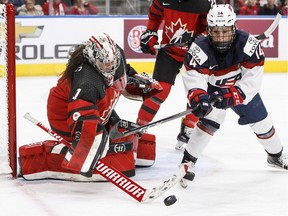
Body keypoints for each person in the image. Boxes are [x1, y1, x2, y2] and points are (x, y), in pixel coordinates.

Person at [178, 4, 288, 187]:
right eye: (217, 32)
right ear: (208, 30)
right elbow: (194, 79)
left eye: (226, 31)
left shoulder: (248, 44)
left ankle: (276, 156)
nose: (221, 37)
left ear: (234, 28)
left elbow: (252, 81)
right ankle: (188, 161)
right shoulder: (199, 49)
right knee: (211, 119)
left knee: (262, 122)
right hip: (211, 90)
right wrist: (199, 98)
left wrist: (233, 94)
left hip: (240, 89)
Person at [46, 32, 162, 177]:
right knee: (98, 139)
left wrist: (141, 84)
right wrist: (88, 148)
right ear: (93, 61)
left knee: (134, 136)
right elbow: (81, 115)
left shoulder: (116, 55)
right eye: (104, 65)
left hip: (96, 108)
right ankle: (86, 152)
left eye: (112, 64)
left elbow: (123, 74)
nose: (110, 69)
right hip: (64, 118)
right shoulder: (87, 80)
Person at [137, 0, 212, 150]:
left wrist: (202, 38)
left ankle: (188, 128)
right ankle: (139, 128)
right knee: (159, 91)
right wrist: (150, 34)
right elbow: (154, 17)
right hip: (169, 52)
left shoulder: (205, 2)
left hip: (195, 53)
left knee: (198, 92)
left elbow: (209, 27)